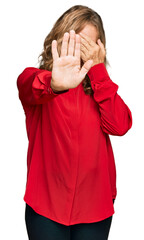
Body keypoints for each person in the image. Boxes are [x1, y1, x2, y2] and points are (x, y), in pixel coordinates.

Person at [16, 4, 133, 240]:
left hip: (95, 207)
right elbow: (29, 86)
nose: (80, 52)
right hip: (46, 207)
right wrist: (55, 84)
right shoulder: (37, 80)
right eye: (75, 42)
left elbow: (120, 126)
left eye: (89, 46)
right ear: (59, 40)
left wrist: (99, 73)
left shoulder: (102, 91)